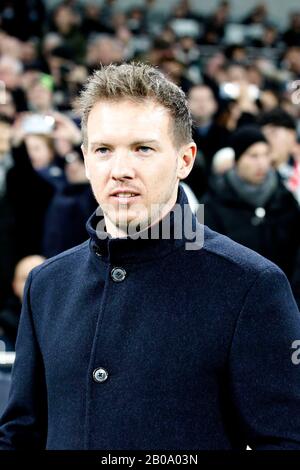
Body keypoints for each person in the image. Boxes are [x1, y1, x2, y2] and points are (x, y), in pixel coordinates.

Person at [0, 63, 300, 451]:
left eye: (143, 148)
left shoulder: (250, 285)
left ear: (185, 159)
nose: (121, 170)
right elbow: (20, 437)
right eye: (104, 150)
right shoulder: (47, 285)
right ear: (86, 159)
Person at [201, 125, 300, 285]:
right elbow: (199, 257)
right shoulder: (211, 201)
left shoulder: (285, 199)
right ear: (237, 160)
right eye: (253, 156)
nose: (261, 163)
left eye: (265, 154)